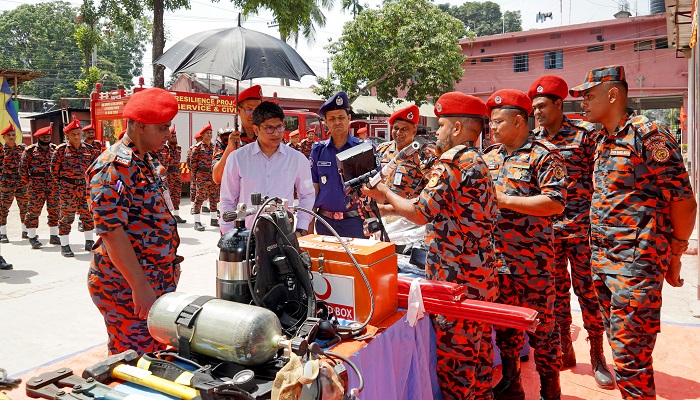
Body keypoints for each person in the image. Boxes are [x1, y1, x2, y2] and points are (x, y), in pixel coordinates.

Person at [570, 65, 697, 399]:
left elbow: (684, 201)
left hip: (636, 265)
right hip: (605, 261)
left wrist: (676, 253)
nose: (583, 103)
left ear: (613, 95)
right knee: (621, 347)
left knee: (631, 357)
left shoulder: (647, 135)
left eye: (589, 95)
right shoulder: (603, 138)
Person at [362, 92, 498, 399]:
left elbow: (420, 212)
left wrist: (383, 190)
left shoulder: (451, 162)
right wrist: (389, 205)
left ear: (457, 129)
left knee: (457, 365)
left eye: (441, 125)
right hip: (480, 274)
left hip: (456, 279)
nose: (435, 132)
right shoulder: (478, 160)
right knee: (480, 356)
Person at [528, 75, 614, 389]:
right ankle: (565, 347)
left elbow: (605, 181)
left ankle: (597, 356)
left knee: (590, 296)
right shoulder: (531, 141)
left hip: (582, 234)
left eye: (541, 105)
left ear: (559, 104)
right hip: (547, 235)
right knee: (556, 296)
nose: (536, 112)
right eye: (533, 107)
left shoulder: (587, 135)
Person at [482, 89, 567, 400]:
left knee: (543, 330)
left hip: (534, 261)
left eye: (497, 122)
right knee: (505, 328)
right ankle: (512, 383)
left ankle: (550, 390)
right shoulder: (490, 156)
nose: (491, 128)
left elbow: (555, 203)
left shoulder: (544, 154)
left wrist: (507, 201)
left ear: (519, 121)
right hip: (498, 260)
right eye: (491, 123)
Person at [86, 87, 181, 355]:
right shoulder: (113, 167)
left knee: (153, 353)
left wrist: (170, 265)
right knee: (133, 360)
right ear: (140, 126)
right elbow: (111, 233)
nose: (168, 134)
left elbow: (156, 218)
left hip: (154, 279)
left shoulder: (146, 160)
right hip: (125, 285)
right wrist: (139, 286)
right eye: (162, 128)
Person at [219, 101, 315, 234]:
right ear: (256, 129)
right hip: (247, 236)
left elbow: (307, 195)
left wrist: (301, 228)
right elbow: (228, 200)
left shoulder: (297, 159)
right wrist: (228, 233)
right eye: (269, 128)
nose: (276, 133)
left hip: (284, 235)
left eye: (279, 127)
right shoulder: (238, 158)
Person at [310, 91, 374, 238]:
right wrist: (308, 227)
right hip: (324, 224)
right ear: (325, 121)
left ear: (349, 118)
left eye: (341, 117)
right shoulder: (318, 151)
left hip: (356, 223)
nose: (337, 122)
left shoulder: (363, 149)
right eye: (331, 118)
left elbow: (374, 188)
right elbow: (313, 191)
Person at [50, 117, 96, 257]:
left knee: (87, 215)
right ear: (67, 136)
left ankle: (89, 242)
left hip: (85, 188)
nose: (76, 137)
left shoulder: (89, 150)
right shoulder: (61, 150)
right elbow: (54, 170)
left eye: (78, 133)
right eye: (73, 134)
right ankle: (65, 245)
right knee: (67, 216)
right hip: (68, 188)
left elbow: (94, 168)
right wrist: (64, 183)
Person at [212, 85, 263, 184]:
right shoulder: (226, 137)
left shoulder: (266, 137)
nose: (253, 115)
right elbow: (217, 177)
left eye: (257, 110)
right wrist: (229, 149)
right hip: (234, 197)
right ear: (238, 111)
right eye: (249, 109)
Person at [375, 105, 429, 198]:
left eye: (404, 129)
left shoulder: (424, 156)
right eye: (396, 128)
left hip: (407, 210)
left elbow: (429, 193)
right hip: (380, 209)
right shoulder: (382, 149)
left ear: (414, 131)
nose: (398, 132)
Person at [20, 123, 60, 249]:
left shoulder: (55, 149)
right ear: (39, 137)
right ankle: (32, 237)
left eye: (48, 136)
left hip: (52, 185)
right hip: (36, 186)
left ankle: (54, 236)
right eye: (44, 136)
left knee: (54, 210)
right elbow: (22, 169)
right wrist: (29, 182)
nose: (46, 138)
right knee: (33, 211)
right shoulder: (30, 151)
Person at [0, 124, 28, 242]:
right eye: (9, 135)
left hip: (21, 184)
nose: (11, 137)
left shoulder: (23, 149)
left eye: (13, 135)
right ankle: (2, 233)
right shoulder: (1, 150)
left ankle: (26, 231)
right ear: (4, 137)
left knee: (25, 208)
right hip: (6, 184)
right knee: (3, 209)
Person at [189, 122, 219, 231]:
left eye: (211, 133)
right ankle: (197, 221)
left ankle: (214, 219)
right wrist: (196, 177)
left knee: (214, 197)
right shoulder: (197, 147)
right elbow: (193, 164)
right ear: (202, 135)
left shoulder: (215, 147)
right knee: (200, 197)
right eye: (207, 133)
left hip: (212, 174)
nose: (210, 135)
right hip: (201, 174)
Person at [165, 125, 186, 223]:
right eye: (172, 136)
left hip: (177, 173)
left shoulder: (179, 148)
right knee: (167, 195)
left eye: (175, 136)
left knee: (177, 195)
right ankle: (167, 215)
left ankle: (176, 215)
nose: (174, 138)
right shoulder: (164, 148)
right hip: (168, 174)